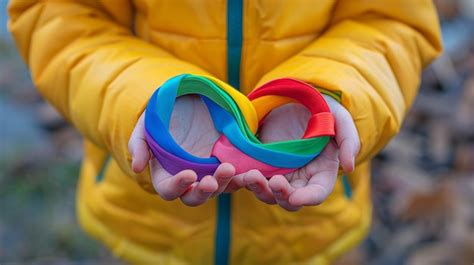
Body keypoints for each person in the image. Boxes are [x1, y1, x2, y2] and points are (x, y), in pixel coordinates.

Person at [8, 0, 442, 264]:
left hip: (309, 234)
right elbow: (57, 17)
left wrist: (330, 96)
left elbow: (395, 21)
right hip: (146, 226)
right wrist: (143, 101)